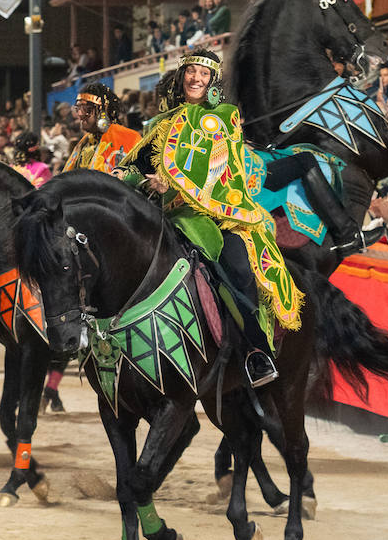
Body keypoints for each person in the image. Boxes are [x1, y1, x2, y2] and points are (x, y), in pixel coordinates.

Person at [120, 51, 300, 387]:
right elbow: (136, 165)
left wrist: (170, 183)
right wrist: (134, 176)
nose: (196, 79)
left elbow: (224, 171)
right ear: (182, 76)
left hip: (219, 215)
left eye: (204, 73)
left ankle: (255, 352)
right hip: (170, 216)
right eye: (191, 72)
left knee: (237, 270)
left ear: (212, 81)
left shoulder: (224, 117)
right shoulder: (162, 123)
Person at [62, 83, 142, 174]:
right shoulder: (84, 143)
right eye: (78, 108)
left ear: (103, 110)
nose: (80, 114)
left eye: (86, 109)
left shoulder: (128, 137)